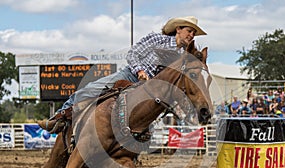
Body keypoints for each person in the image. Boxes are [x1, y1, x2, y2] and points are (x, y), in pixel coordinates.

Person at [38, 16, 207, 133]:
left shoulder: (185, 58)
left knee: (145, 126)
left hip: (151, 93)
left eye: (193, 33)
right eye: (189, 31)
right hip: (130, 77)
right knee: (89, 90)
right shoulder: (157, 40)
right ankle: (58, 118)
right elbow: (133, 54)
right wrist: (140, 71)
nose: (191, 35)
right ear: (178, 29)